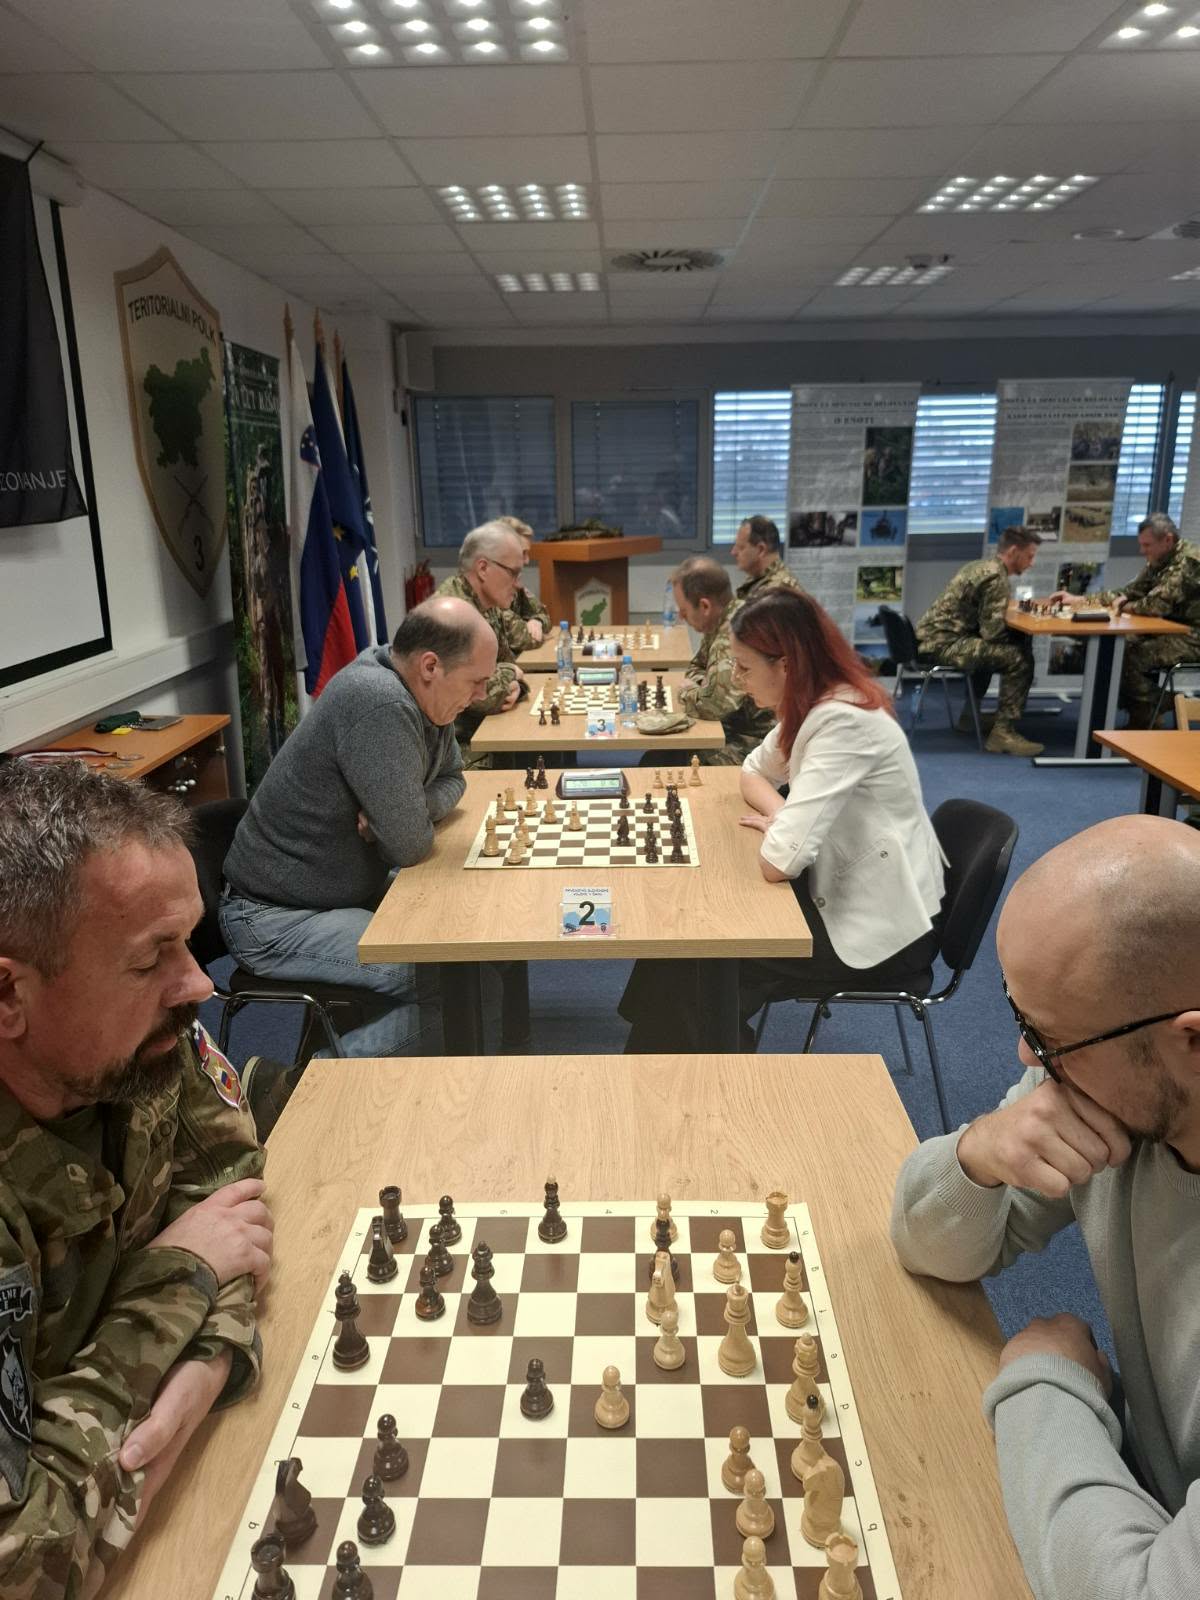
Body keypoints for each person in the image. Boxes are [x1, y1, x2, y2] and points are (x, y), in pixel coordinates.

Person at [890, 814, 1200, 1600]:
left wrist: (1045, 1380)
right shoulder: (1117, 1087)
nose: (1025, 1056)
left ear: (1191, 1042)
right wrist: (980, 1154)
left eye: (1046, 1037)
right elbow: (927, 1243)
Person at [0, 761, 270, 1597]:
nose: (199, 984)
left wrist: (208, 1365)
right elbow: (24, 1568)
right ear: (8, 993)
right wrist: (178, 1281)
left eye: (188, 940)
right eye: (153, 958)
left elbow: (231, 1195)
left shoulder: (137, 1043)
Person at [620, 588, 945, 1051]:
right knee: (682, 937)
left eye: (744, 667)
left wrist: (786, 830)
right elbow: (751, 771)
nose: (736, 680)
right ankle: (660, 1051)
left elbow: (778, 863)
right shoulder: (814, 704)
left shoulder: (844, 722)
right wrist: (784, 813)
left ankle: (702, 1073)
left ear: (786, 665)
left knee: (706, 950)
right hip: (843, 884)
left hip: (880, 928)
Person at [221, 598, 495, 1058]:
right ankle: (302, 1087)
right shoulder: (380, 701)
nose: (483, 694)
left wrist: (411, 805)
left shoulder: (426, 698)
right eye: (476, 681)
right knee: (456, 984)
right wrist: (403, 819)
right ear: (431, 666)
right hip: (273, 917)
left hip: (337, 892)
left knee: (477, 961)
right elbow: (410, 846)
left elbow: (454, 778)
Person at [1049, 513, 1200, 728]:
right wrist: (1080, 600)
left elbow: (1154, 606)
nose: (1142, 551)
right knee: (1112, 650)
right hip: (1168, 630)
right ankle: (1147, 716)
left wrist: (1123, 606)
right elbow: (1128, 592)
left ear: (1167, 540)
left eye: (1147, 545)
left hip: (1192, 636)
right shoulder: (1161, 559)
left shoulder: (1188, 562)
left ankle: (1171, 703)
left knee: (1127, 656)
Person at [916, 525, 1044, 756]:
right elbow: (993, 634)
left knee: (989, 652)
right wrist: (1022, 636)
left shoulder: (979, 566)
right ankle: (1003, 734)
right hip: (944, 645)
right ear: (1014, 552)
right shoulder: (996, 577)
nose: (1032, 563)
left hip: (932, 640)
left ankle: (970, 716)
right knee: (1019, 658)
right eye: (1029, 556)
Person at [434, 520, 530, 762]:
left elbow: (510, 669)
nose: (518, 584)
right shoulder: (451, 615)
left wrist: (515, 685)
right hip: (455, 751)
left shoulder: (488, 606)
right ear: (483, 568)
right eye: (513, 573)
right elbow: (482, 697)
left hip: (487, 730)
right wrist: (510, 674)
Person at [672, 556, 775, 766]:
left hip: (758, 742)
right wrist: (703, 687)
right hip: (735, 727)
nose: (681, 617)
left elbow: (712, 707)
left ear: (705, 606)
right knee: (664, 755)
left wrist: (686, 691)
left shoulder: (733, 634)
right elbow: (696, 666)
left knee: (679, 760)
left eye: (684, 610)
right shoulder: (726, 619)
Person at [496, 514, 550, 650]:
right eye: (523, 553)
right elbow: (523, 638)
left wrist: (537, 621)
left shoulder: (514, 584)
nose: (527, 560)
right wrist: (533, 632)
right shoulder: (487, 589)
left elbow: (543, 615)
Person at [731, 515, 801, 604]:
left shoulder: (777, 592)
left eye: (741, 547)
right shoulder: (758, 579)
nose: (733, 552)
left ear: (761, 550)